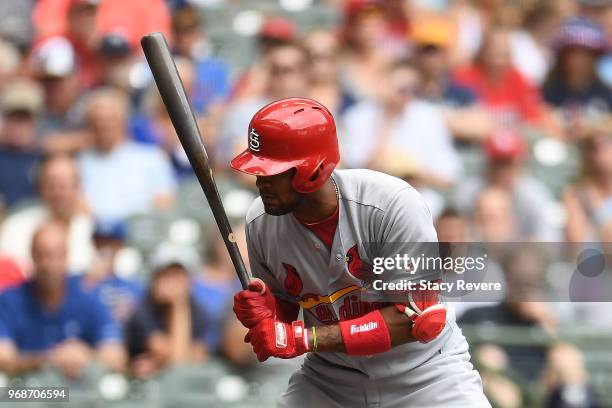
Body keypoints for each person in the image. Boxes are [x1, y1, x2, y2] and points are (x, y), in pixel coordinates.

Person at [230, 98, 489, 407]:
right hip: (331, 381)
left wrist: (304, 338)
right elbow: (283, 314)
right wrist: (267, 314)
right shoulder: (261, 223)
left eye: (273, 172)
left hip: (424, 375)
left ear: (311, 170)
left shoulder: (392, 205)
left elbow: (413, 322)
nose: (260, 181)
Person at [0, 221, 126, 378]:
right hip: (29, 392)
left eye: (56, 255)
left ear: (66, 256)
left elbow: (116, 357)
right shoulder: (9, 300)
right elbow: (4, 358)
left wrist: (86, 355)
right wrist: (48, 359)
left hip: (79, 394)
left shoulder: (87, 297)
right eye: (43, 255)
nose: (49, 265)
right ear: (32, 255)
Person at [78, 87, 176, 220]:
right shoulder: (79, 164)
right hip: (97, 233)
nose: (103, 127)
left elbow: (166, 200)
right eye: (97, 122)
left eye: (109, 121)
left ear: (123, 122)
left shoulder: (152, 158)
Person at [125, 243, 210, 379]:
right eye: (165, 275)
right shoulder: (142, 310)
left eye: (177, 275)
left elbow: (195, 358)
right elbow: (178, 361)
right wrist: (178, 307)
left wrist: (179, 306)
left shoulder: (200, 312)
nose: (172, 282)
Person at [0, 154, 95, 274]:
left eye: (65, 184)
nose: (59, 192)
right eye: (52, 184)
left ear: (78, 187)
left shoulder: (95, 230)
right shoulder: (15, 226)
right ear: (40, 187)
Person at [82, 219, 143, 326]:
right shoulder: (78, 283)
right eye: (100, 241)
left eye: (111, 242)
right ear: (93, 243)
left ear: (121, 245)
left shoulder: (135, 287)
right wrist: (89, 282)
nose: (105, 247)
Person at [0, 79, 44, 208]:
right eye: (14, 119)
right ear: (5, 121)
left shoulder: (45, 158)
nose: (19, 126)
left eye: (24, 119)